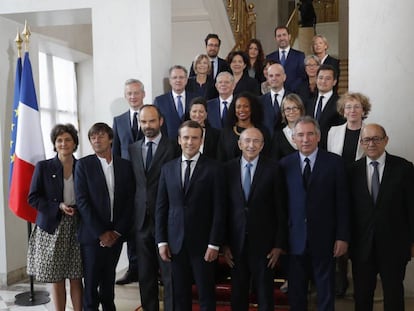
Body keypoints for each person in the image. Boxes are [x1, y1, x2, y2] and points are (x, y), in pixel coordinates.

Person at [279, 116, 349, 311]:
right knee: (296, 292)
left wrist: (342, 237)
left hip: (325, 239)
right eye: (300, 135)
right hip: (294, 239)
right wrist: (280, 240)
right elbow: (281, 206)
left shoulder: (334, 163)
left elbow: (342, 203)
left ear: (318, 137)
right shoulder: (284, 165)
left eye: (310, 134)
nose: (305, 139)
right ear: (293, 138)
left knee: (326, 291)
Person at [155, 120, 225, 311]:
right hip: (175, 244)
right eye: (186, 137)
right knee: (179, 296)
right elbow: (161, 207)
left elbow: (220, 209)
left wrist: (214, 243)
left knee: (206, 295)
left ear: (201, 141)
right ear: (179, 140)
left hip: (204, 245)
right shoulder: (168, 168)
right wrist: (161, 241)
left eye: (195, 138)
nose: (190, 142)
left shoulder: (215, 168)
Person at [348, 123, 414, 311]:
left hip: (395, 245)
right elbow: (348, 210)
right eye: (367, 139)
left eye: (376, 138)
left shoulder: (404, 168)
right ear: (361, 143)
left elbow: (411, 206)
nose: (371, 143)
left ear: (386, 140)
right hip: (362, 246)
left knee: (394, 294)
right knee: (362, 295)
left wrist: (412, 241)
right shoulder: (351, 171)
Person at [223, 127, 287, 311]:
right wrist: (225, 243)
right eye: (247, 141)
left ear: (262, 145)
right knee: (238, 294)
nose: (251, 145)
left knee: (265, 294)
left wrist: (278, 245)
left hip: (265, 245)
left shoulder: (274, 169)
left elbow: (281, 209)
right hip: (236, 244)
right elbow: (224, 209)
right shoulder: (227, 169)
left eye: (256, 141)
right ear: (240, 144)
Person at [75, 122, 135, 311]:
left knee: (109, 279)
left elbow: (130, 200)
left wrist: (117, 232)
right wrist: (101, 233)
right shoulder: (84, 165)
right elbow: (82, 202)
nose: (97, 140)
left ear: (110, 139)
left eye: (101, 135)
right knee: (91, 282)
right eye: (93, 137)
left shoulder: (125, 166)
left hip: (116, 235)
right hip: (92, 236)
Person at [128, 105, 179, 311]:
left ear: (161, 122)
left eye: (151, 121)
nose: (147, 126)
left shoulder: (174, 146)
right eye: (143, 122)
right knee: (145, 274)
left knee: (170, 275)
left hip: (167, 220)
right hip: (141, 220)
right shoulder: (133, 148)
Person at [27, 124, 83, 311]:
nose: (63, 143)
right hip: (52, 227)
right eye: (59, 140)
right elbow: (33, 198)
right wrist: (58, 206)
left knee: (76, 276)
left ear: (74, 142)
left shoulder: (82, 166)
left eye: (68, 139)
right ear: (54, 143)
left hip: (77, 226)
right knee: (57, 277)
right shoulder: (43, 167)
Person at [327, 92, 371, 297]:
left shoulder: (370, 131)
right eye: (348, 107)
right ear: (343, 111)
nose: (352, 110)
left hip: (362, 189)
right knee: (340, 233)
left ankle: (361, 281)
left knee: (360, 235)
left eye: (356, 107)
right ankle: (341, 281)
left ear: (364, 110)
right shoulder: (333, 131)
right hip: (338, 188)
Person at [112, 78, 143, 285]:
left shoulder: (153, 116)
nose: (133, 96)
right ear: (126, 96)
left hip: (147, 179)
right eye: (129, 93)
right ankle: (133, 269)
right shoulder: (119, 119)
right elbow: (115, 152)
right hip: (126, 181)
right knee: (130, 225)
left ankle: (152, 269)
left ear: (143, 94)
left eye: (136, 92)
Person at [217, 91, 269, 162]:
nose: (242, 110)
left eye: (246, 106)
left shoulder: (262, 131)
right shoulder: (226, 132)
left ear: (252, 108)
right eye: (238, 107)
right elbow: (221, 158)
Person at [305, 64, 345, 149]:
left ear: (334, 82)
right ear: (316, 79)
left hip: (330, 148)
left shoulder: (340, 103)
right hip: (311, 149)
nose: (323, 81)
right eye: (320, 78)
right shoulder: (309, 102)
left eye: (328, 78)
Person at [154, 65, 196, 138]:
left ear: (186, 80)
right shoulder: (159, 101)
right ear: (170, 81)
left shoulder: (195, 99)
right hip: (168, 145)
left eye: (181, 77)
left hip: (190, 143)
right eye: (174, 77)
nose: (178, 80)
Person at [266, 26, 306, 92]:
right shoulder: (269, 57)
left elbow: (302, 76)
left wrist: (290, 89)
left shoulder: (299, 56)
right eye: (279, 36)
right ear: (275, 38)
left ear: (289, 37)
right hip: (275, 93)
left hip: (294, 93)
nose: (282, 38)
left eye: (284, 35)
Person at [270, 94, 305, 160]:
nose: (291, 112)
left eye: (295, 108)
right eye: (288, 109)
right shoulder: (277, 136)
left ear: (301, 110)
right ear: (283, 113)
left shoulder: (309, 131)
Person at [259, 63, 288, 137]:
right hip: (267, 144)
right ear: (267, 78)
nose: (274, 78)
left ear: (284, 77)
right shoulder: (259, 101)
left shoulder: (293, 99)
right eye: (271, 76)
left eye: (277, 75)